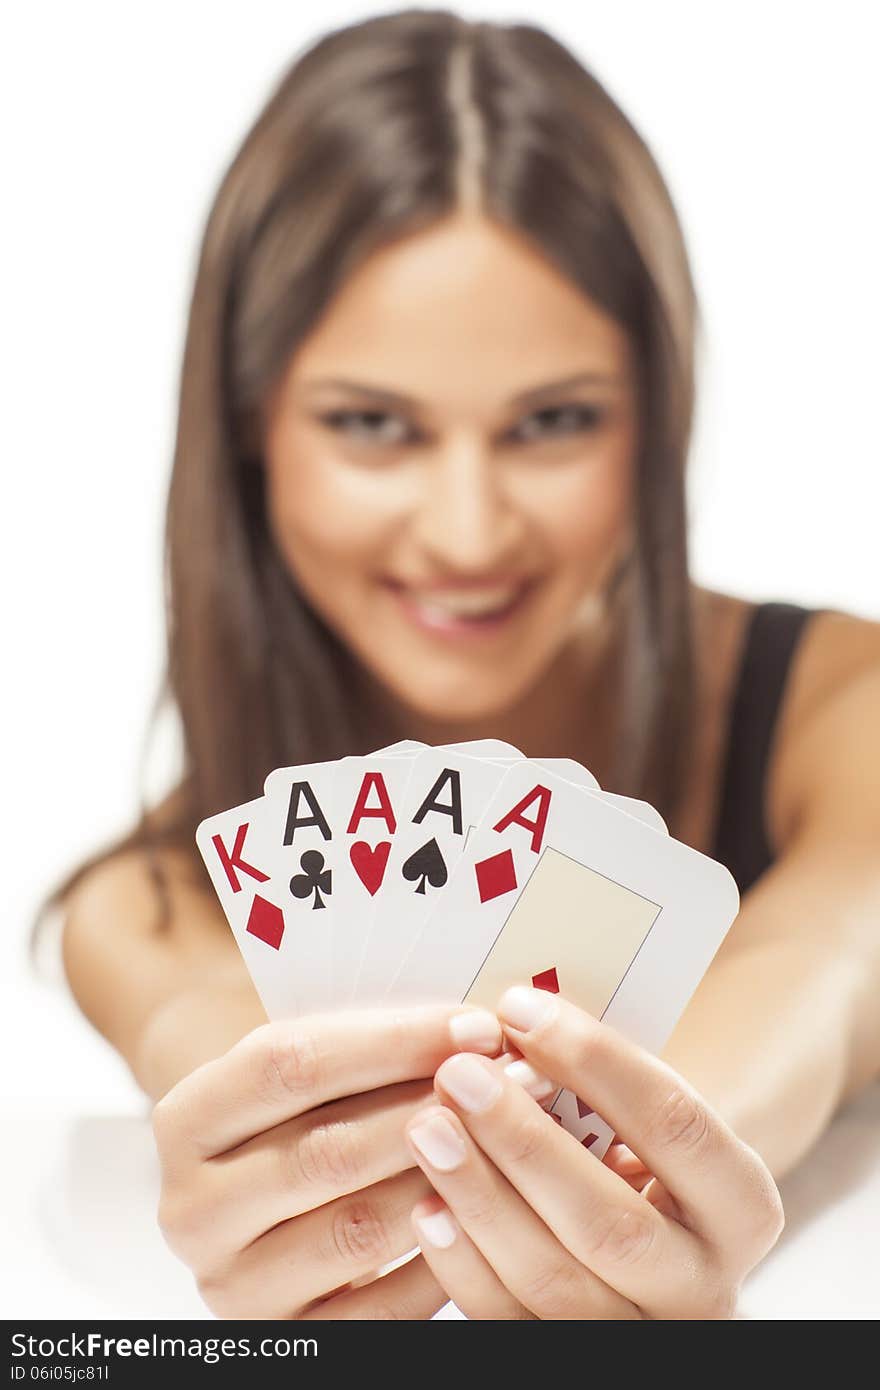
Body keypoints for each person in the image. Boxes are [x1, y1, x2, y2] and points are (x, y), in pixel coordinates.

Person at [55, 11, 880, 1319]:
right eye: (372, 425)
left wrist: (651, 1181)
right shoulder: (147, 902)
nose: (468, 531)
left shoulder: (847, 714)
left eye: (553, 421)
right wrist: (276, 1168)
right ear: (250, 427)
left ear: (658, 416)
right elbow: (206, 1036)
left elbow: (827, 970)